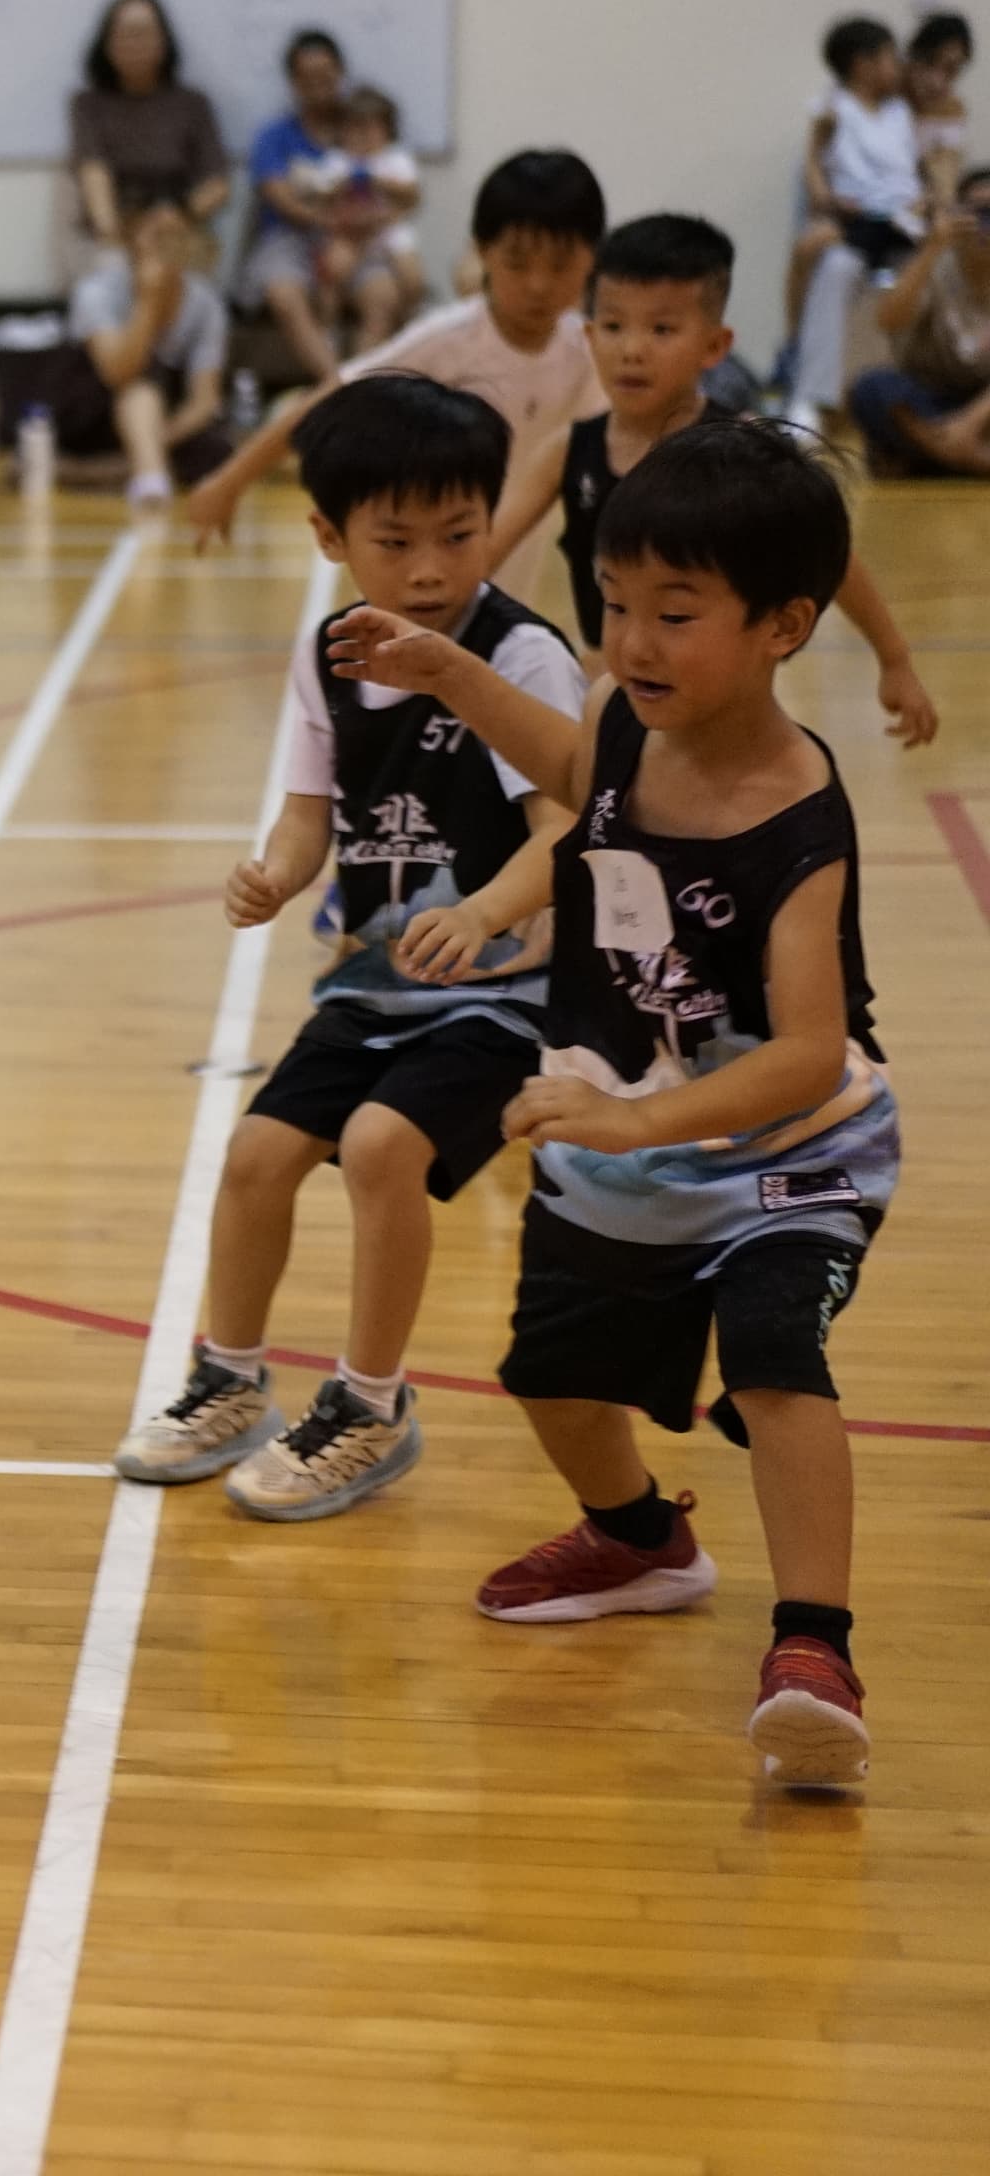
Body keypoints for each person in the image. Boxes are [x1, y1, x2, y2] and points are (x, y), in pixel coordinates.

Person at [339, 423, 899, 1792]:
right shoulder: (623, 728)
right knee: (553, 1379)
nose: (634, 641)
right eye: (615, 605)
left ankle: (814, 1649)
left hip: (789, 1149)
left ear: (784, 627)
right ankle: (642, 1537)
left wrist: (649, 1122)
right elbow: (571, 781)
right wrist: (449, 674)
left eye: (676, 615)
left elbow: (813, 1052)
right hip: (622, 1132)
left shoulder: (798, 813)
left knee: (774, 1355)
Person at [113, 376, 579, 1516]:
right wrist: (275, 871)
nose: (429, 566)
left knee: (379, 1147)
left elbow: (568, 835)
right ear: (329, 536)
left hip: (504, 990)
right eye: (396, 540)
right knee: (256, 1157)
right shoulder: (330, 651)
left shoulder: (518, 660)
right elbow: (311, 811)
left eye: (459, 534)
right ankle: (228, 1380)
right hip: (373, 979)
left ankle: (372, 1405)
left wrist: (481, 916)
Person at [493, 213, 939, 746]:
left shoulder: (747, 453)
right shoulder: (569, 451)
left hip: (718, 708)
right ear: (588, 336)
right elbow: (479, 553)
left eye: (661, 329)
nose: (631, 349)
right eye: (613, 326)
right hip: (619, 694)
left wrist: (894, 661)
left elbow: (835, 560)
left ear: (714, 346)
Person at [180, 149, 610, 549]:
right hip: (431, 584)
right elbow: (330, 398)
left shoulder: (593, 351)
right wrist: (230, 481)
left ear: (591, 259)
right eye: (518, 262)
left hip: (511, 585)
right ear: (481, 251)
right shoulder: (446, 340)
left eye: (559, 264)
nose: (538, 284)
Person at [780, 17, 925, 434]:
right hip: (860, 218)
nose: (895, 66)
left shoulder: (900, 112)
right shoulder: (833, 108)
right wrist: (824, 195)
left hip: (905, 221)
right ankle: (810, 398)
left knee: (934, 270)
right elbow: (813, 163)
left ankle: (936, 385)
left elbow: (915, 169)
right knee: (835, 270)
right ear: (862, 64)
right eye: (887, 57)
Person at [39, 196, 231, 503]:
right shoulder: (96, 293)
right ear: (132, 240)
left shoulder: (206, 304)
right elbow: (118, 372)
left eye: (175, 235)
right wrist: (148, 301)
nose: (165, 245)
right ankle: (148, 474)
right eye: (155, 234)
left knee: (215, 452)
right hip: (95, 410)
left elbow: (204, 401)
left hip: (161, 422)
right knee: (143, 378)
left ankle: (95, 472)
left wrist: (153, 439)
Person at [67, 0, 229, 260]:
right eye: (125, 35)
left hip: (176, 227)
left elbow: (217, 184)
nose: (135, 44)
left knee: (177, 290)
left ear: (164, 41)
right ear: (107, 44)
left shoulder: (193, 103)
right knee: (99, 295)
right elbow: (94, 173)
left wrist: (179, 214)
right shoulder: (88, 104)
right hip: (115, 230)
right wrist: (114, 235)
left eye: (143, 34)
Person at [850, 164, 990, 478]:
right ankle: (968, 459)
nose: (984, 225)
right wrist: (932, 247)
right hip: (931, 397)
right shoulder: (935, 264)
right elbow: (888, 320)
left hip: (983, 408)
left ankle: (932, 457)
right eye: (977, 212)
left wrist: (969, 422)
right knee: (872, 388)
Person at [237, 29, 353, 385]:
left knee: (383, 292)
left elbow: (382, 185)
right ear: (293, 82)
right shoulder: (272, 136)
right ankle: (338, 386)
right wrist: (326, 219)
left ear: (340, 74)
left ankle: (372, 385)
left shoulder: (361, 129)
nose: (318, 83)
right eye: (307, 76)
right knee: (284, 293)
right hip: (286, 239)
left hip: (354, 235)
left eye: (326, 74)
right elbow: (280, 196)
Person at [293, 85, 424, 351]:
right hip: (347, 234)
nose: (363, 137)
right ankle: (328, 327)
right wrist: (339, 186)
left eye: (371, 128)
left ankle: (411, 319)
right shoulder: (337, 160)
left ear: (387, 131)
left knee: (413, 278)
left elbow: (411, 194)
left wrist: (378, 181)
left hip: (387, 232)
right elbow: (318, 193)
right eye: (355, 128)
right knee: (332, 269)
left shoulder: (395, 159)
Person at [904, 8, 968, 203]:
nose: (936, 81)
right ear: (912, 56)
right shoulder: (881, 98)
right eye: (929, 62)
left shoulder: (951, 111)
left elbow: (945, 188)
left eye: (951, 69)